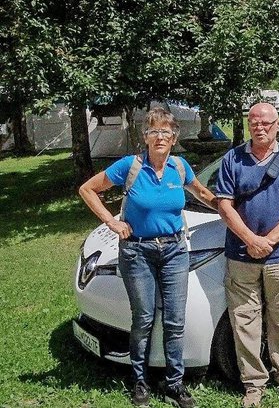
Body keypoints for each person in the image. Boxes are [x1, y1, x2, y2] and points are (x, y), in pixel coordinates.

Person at [79, 107, 216, 408]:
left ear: (174, 137)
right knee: (143, 318)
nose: (160, 137)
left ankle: (175, 383)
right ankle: (140, 380)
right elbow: (87, 189)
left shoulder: (179, 167)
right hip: (137, 251)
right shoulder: (130, 166)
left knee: (175, 320)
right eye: (154, 131)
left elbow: (204, 195)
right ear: (145, 136)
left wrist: (233, 212)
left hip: (175, 251)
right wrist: (111, 222)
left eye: (166, 132)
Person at [216, 102, 279, 408]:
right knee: (244, 321)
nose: (259, 127)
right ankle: (254, 384)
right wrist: (250, 240)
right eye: (254, 122)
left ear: (277, 124)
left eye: (266, 122)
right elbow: (225, 206)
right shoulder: (233, 158)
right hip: (241, 256)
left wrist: (268, 240)